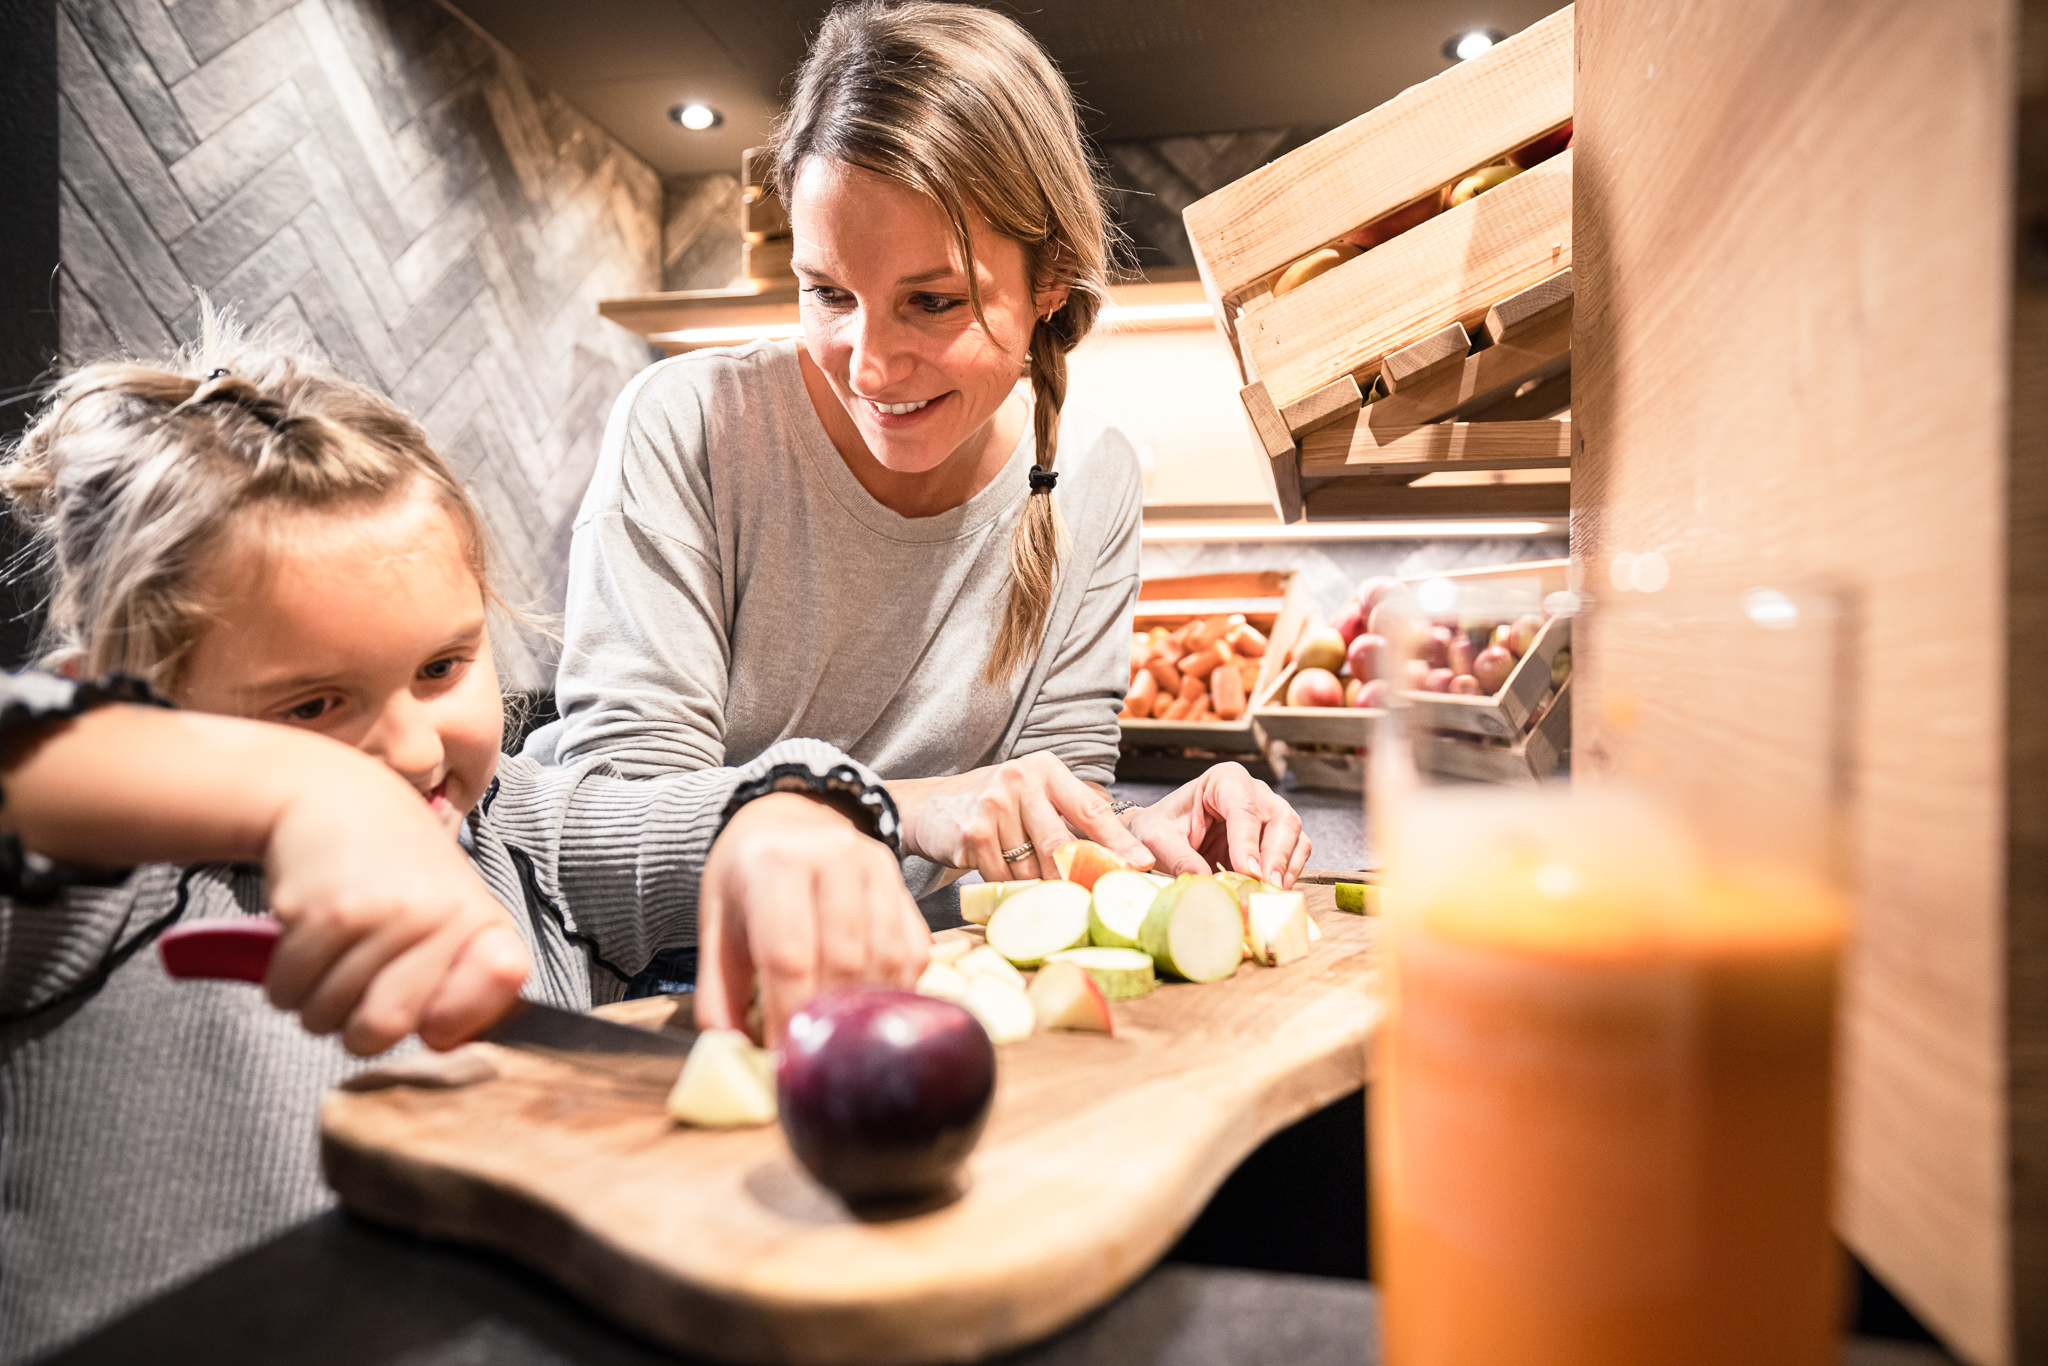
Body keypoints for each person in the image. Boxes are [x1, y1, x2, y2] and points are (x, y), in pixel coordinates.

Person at [0, 331, 921, 1363]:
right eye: (311, 704)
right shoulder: (106, 880)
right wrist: (299, 792)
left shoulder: (519, 826)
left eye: (442, 665)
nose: (409, 744)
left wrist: (790, 819)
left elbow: (734, 806)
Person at [531, 2, 1311, 994]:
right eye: (827, 293)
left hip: (896, 981)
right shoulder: (687, 422)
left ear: (1048, 279)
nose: (869, 363)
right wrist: (902, 809)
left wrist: (1132, 843)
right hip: (660, 997)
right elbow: (616, 860)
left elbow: (1037, 825)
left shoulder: (1096, 474)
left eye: (930, 301)